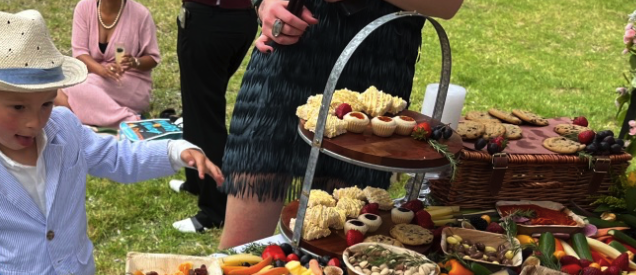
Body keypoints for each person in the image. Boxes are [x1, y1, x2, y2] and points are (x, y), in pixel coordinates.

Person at [0, 10, 223, 275]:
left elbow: (117, 157)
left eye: (47, 103)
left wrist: (174, 151)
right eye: (18, 107)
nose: (34, 122)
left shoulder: (65, 128)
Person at [217, 0, 464, 249]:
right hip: (286, 58)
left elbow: (448, 5)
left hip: (375, 68)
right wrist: (264, 5)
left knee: (338, 241)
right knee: (238, 251)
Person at [170, 0, 257, 234]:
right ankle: (197, 180)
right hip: (235, 18)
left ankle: (215, 211)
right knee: (196, 104)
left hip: (212, 18)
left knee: (205, 113)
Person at [56, 0, 161, 128]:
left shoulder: (141, 14)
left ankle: (130, 122)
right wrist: (102, 70)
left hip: (129, 80)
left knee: (76, 87)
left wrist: (135, 62)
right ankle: (88, 125)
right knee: (57, 94)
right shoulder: (84, 7)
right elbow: (80, 53)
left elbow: (152, 58)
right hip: (93, 77)